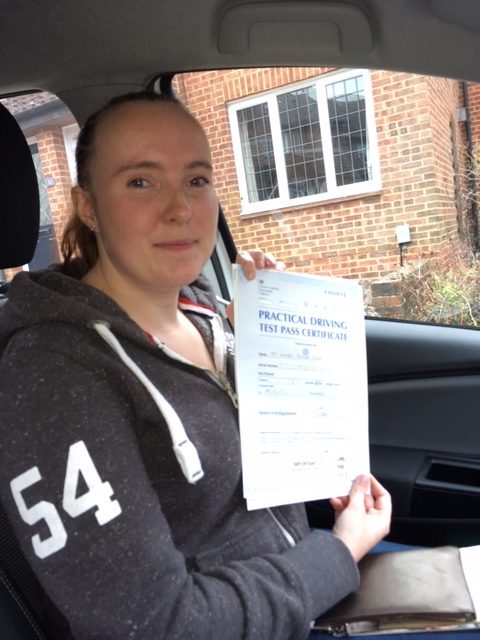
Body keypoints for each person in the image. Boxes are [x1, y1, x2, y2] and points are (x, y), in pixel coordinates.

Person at [0, 91, 391, 640]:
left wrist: (268, 337)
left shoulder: (204, 308)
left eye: (197, 179)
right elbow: (153, 625)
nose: (180, 209)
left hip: (302, 595)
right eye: (141, 181)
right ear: (88, 207)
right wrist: (339, 552)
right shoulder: (52, 375)